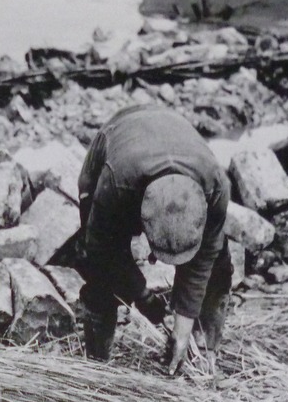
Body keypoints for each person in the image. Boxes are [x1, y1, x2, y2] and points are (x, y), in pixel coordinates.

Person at [75, 103, 234, 375]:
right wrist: (141, 294)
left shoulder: (216, 186)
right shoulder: (115, 183)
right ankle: (97, 366)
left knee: (219, 266)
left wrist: (182, 323)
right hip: (120, 131)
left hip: (173, 126)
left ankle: (204, 352)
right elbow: (104, 249)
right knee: (98, 269)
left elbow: (204, 256)